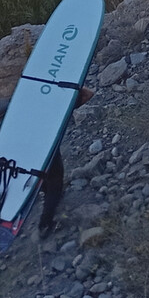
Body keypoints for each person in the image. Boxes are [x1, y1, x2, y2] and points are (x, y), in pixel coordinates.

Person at [36, 82, 94, 237]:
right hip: (48, 146)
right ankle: (45, 224)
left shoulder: (33, 102)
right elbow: (89, 94)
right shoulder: (63, 103)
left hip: (28, 147)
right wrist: (73, 86)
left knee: (44, 178)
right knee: (55, 182)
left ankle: (46, 194)